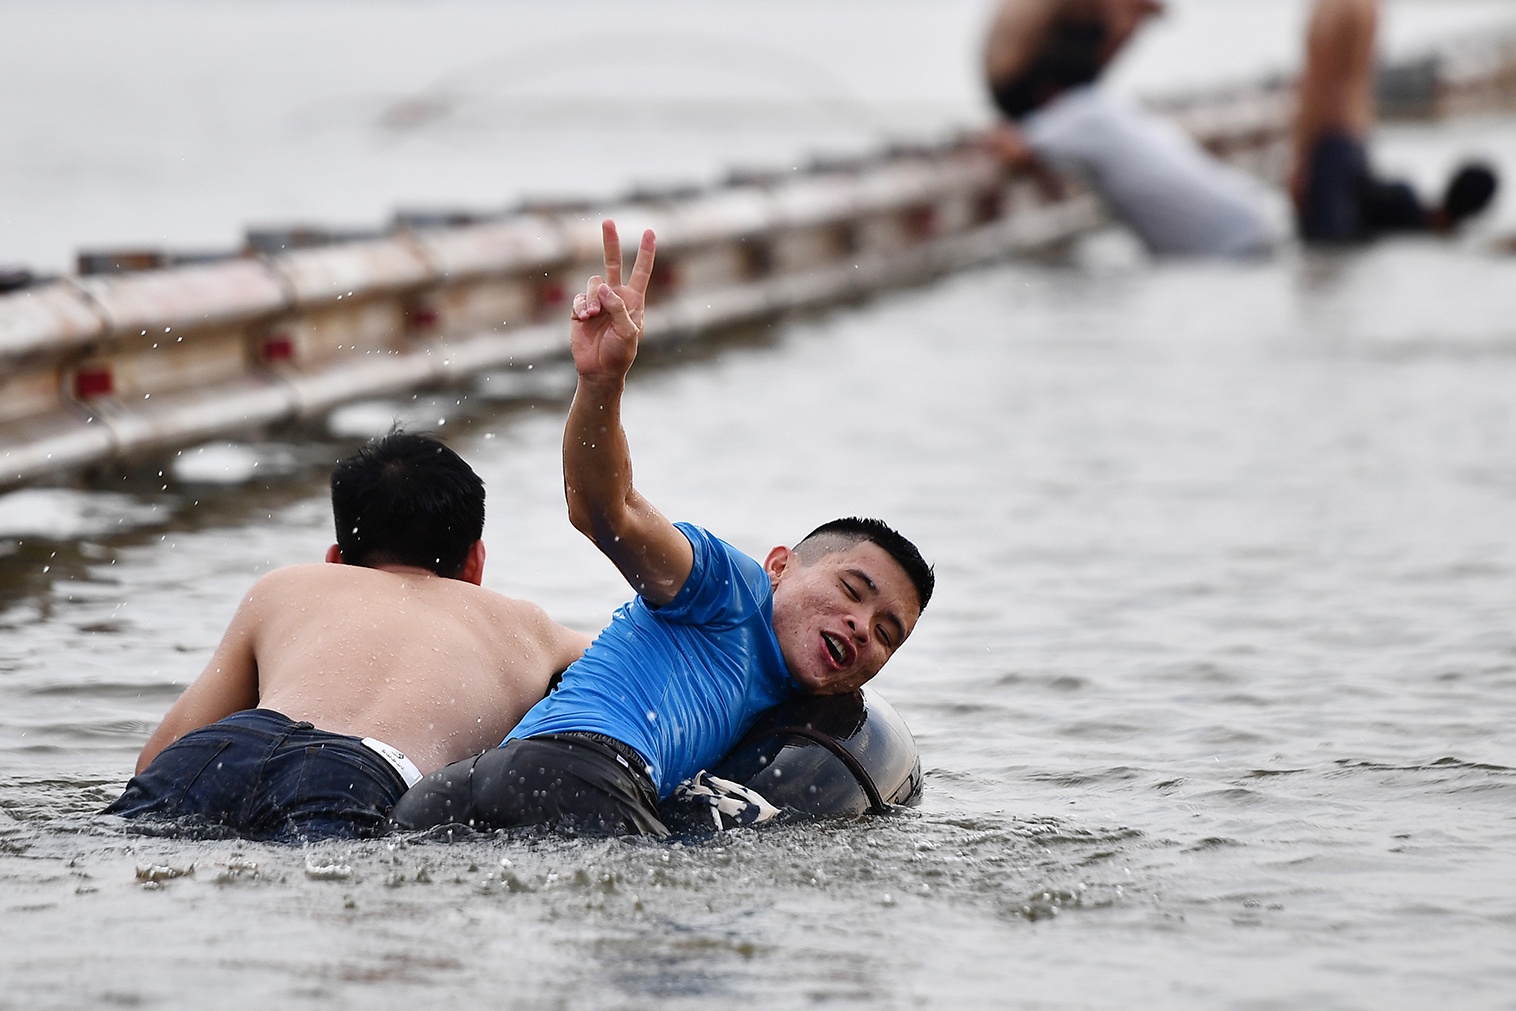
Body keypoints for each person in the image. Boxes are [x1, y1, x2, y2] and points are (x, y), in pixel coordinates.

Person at [389, 222, 935, 838]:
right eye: (854, 591)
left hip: (452, 792)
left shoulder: (777, 707)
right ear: (781, 565)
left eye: (887, 633)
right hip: (579, 775)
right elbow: (606, 509)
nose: (862, 628)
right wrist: (602, 384)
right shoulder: (730, 588)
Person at [104, 432, 592, 841]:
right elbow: (639, 681)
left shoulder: (285, 587)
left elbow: (153, 760)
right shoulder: (530, 629)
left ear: (336, 559)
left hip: (216, 751)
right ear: (475, 563)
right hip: (358, 775)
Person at [983, 0, 1280, 257]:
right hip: (1253, 216)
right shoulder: (1104, 110)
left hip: (1229, 243)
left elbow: (1012, 149)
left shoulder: (1080, 118)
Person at [1293, 0, 1497, 243]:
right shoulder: (1365, 7)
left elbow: (1323, 85)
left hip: (1332, 143)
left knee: (1326, 249)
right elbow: (1355, 82)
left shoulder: (1339, 8)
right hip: (1353, 137)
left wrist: (1301, 156)